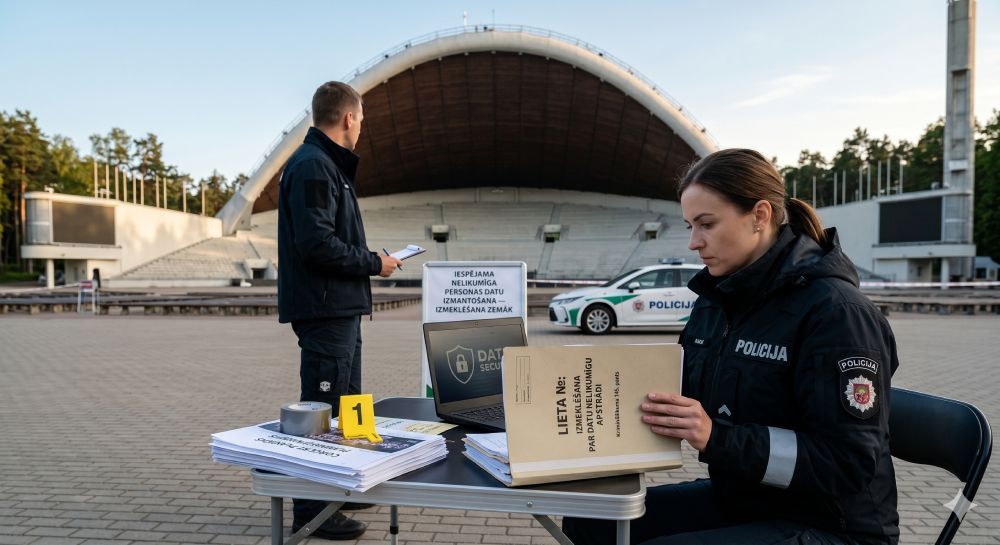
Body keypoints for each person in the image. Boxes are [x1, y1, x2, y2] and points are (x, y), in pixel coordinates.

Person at [563, 149, 899, 545]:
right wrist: (568, 410)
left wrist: (716, 437)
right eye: (690, 226)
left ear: (759, 215)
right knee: (590, 520)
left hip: (831, 523)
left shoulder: (837, 313)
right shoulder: (716, 300)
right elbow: (678, 392)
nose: (693, 242)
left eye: (706, 224)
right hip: (746, 499)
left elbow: (847, 464)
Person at [277, 81, 402, 540]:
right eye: (361, 119)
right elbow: (316, 244)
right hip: (326, 310)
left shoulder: (328, 166)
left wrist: (370, 260)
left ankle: (341, 490)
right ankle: (312, 512)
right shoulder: (314, 166)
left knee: (349, 406)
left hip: (341, 307)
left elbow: (328, 239)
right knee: (323, 408)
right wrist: (373, 262)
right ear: (348, 118)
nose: (362, 127)